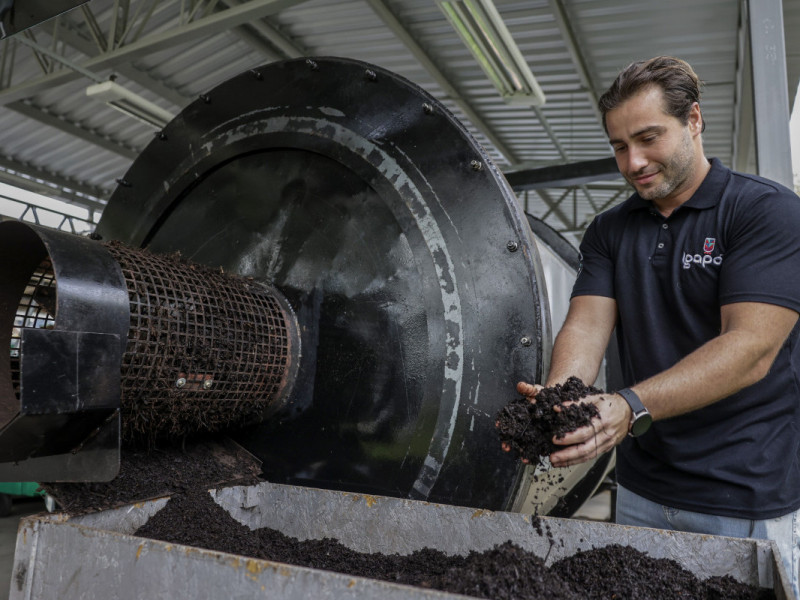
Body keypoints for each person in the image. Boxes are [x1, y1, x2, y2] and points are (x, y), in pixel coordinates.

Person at [514, 56, 800, 597]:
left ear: (693, 120)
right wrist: (560, 397)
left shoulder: (765, 213)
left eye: (648, 138)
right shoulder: (610, 230)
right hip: (644, 490)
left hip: (742, 498)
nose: (634, 161)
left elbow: (750, 349)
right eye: (620, 146)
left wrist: (630, 406)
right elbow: (586, 326)